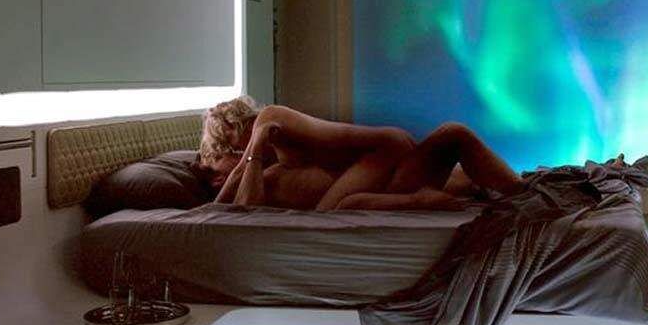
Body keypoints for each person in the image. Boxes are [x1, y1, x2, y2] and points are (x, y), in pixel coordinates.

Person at [198, 96, 526, 211]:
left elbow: (241, 206)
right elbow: (225, 211)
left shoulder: (271, 123)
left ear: (232, 134)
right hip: (386, 164)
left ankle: (528, 199)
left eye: (213, 166)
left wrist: (253, 149)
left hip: (385, 151)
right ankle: (519, 191)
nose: (215, 178)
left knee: (335, 213)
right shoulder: (272, 170)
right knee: (456, 149)